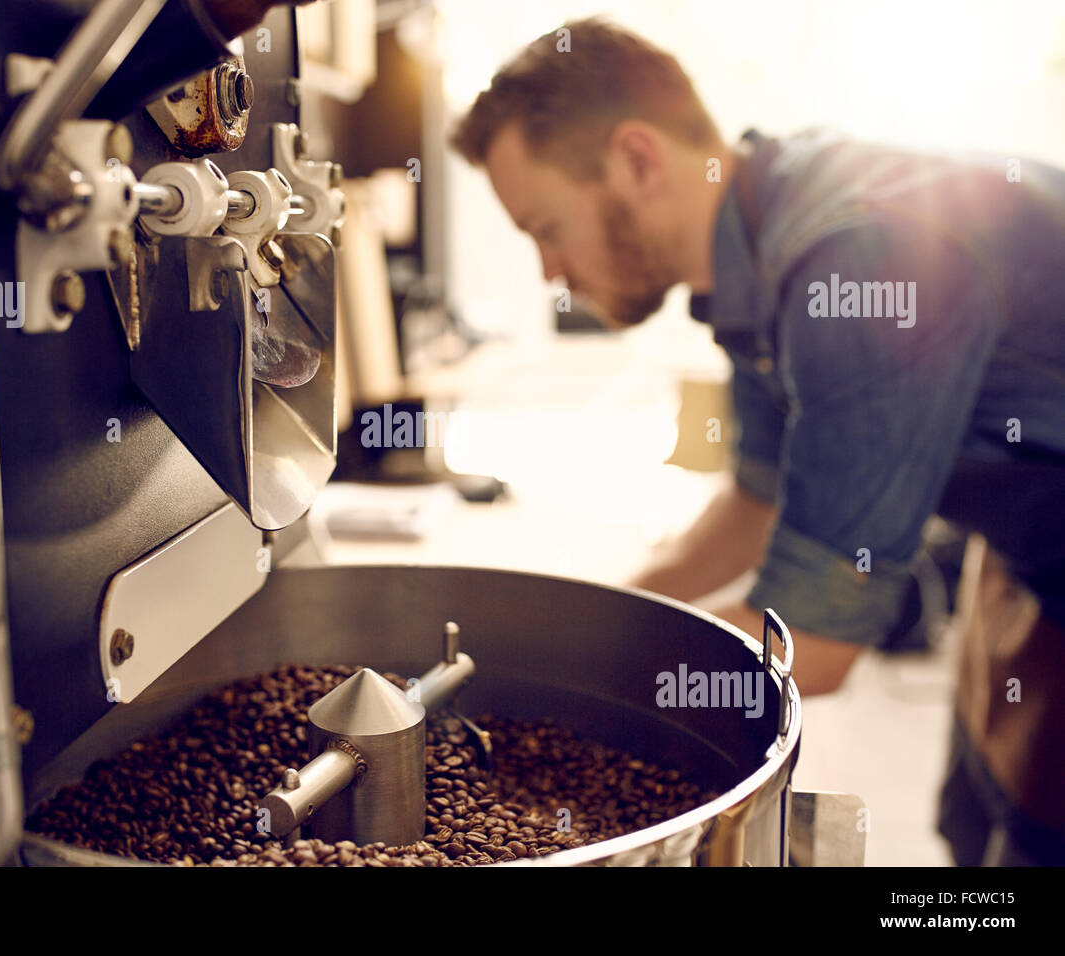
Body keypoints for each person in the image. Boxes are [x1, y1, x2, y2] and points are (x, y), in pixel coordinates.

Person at [449, 17, 1065, 865]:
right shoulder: (758, 231)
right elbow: (755, 501)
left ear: (638, 159)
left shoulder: (857, 261)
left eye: (546, 228)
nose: (549, 273)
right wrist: (590, 633)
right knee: (971, 821)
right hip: (1030, 538)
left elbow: (814, 642)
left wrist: (566, 708)